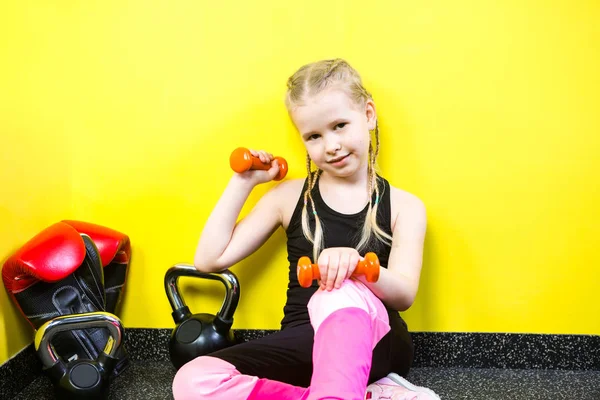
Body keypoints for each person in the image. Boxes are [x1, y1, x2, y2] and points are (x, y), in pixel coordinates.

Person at [172, 59, 440, 400]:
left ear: (368, 115)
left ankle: (348, 388)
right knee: (193, 378)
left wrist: (356, 267)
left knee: (339, 292)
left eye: (340, 125)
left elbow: (404, 295)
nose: (331, 145)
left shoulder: (405, 206)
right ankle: (365, 395)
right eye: (314, 136)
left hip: (375, 344)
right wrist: (244, 183)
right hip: (304, 343)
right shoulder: (286, 197)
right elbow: (209, 259)